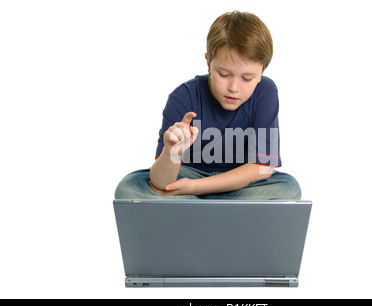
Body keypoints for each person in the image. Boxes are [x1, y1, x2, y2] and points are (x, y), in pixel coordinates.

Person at [115, 11, 301, 200]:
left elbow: (262, 168)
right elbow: (162, 183)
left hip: (240, 183)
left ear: (262, 71)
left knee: (288, 188)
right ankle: (227, 217)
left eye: (247, 78)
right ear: (209, 62)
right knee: (129, 188)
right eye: (224, 74)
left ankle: (199, 215)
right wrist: (172, 152)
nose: (233, 88)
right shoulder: (183, 97)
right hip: (187, 175)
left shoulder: (265, 92)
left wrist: (195, 188)